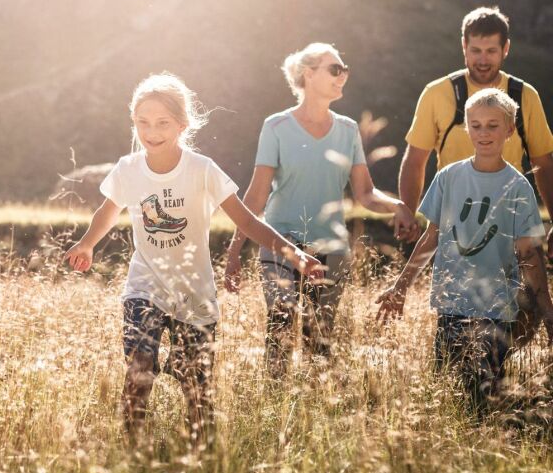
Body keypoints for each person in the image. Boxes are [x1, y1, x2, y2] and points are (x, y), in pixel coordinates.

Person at [66, 72, 323, 448]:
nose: (151, 131)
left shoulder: (201, 169)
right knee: (138, 371)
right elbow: (108, 210)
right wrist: (88, 243)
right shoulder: (128, 169)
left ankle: (200, 457)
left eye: (162, 123)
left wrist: (294, 253)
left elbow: (247, 220)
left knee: (196, 388)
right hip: (145, 287)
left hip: (195, 295)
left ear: (182, 124)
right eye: (142, 123)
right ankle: (133, 451)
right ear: (133, 122)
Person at [223, 43, 417, 377]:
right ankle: (274, 413)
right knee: (280, 328)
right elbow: (255, 198)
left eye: (345, 70)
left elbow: (365, 194)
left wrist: (397, 206)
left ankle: (314, 416)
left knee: (319, 342)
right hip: (280, 243)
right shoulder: (276, 127)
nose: (343, 76)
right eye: (334, 69)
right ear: (308, 74)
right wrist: (235, 250)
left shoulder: (348, 130)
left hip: (332, 248)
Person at [378, 89, 553, 413]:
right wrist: (400, 286)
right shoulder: (449, 177)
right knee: (446, 395)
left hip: (497, 311)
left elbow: (529, 255)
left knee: (483, 400)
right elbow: (431, 237)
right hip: (451, 306)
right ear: (467, 128)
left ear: (510, 129)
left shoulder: (517, 187)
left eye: (492, 125)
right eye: (475, 125)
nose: (483, 133)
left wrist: (547, 311)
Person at [399, 6, 553, 260]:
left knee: (522, 298)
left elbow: (543, 163)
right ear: (463, 46)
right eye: (476, 51)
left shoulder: (525, 96)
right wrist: (407, 212)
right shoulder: (436, 93)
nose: (483, 60)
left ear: (506, 49)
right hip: (452, 224)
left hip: (510, 221)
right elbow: (415, 160)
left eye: (491, 51)